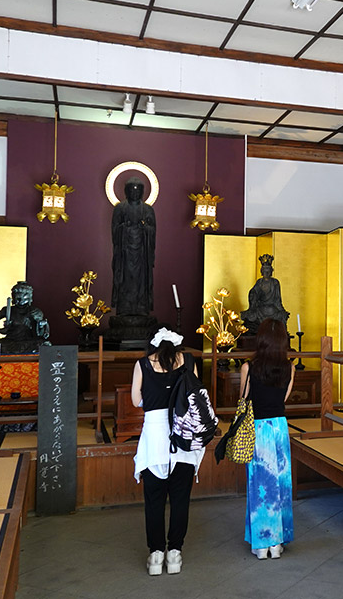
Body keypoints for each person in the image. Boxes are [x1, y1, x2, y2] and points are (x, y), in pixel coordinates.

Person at [132, 326, 202, 576]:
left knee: (154, 499)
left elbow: (135, 400)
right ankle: (174, 553)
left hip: (154, 437)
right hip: (183, 435)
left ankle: (155, 554)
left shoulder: (143, 364)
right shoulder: (189, 361)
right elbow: (197, 397)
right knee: (180, 498)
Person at [239, 318, 295, 560]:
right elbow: (283, 399)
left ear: (260, 339)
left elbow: (244, 400)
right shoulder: (289, 367)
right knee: (280, 484)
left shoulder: (248, 367)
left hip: (257, 428)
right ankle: (277, 542)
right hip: (279, 427)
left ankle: (262, 543)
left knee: (260, 485)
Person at [111, 177, 157, 317]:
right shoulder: (120, 208)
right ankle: (124, 307)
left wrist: (145, 228)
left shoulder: (148, 209)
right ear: (126, 191)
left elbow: (153, 230)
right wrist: (124, 227)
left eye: (138, 191)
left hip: (142, 253)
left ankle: (141, 307)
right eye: (131, 190)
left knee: (141, 280)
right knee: (125, 279)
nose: (134, 193)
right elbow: (114, 230)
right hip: (125, 253)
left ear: (142, 192)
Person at [0, 281, 49, 354]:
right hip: (10, 340)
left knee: (43, 344)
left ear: (29, 297)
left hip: (27, 341)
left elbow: (38, 333)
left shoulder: (34, 311)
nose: (20, 300)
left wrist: (40, 326)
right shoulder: (8, 310)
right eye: (17, 297)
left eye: (23, 297)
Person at [240, 254, 290, 334]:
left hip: (271, 309)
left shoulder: (275, 283)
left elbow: (277, 300)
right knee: (249, 316)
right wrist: (253, 294)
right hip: (260, 308)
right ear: (262, 271)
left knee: (281, 315)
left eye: (268, 270)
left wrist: (282, 310)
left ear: (271, 271)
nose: (266, 272)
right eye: (264, 270)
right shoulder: (259, 282)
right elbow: (253, 293)